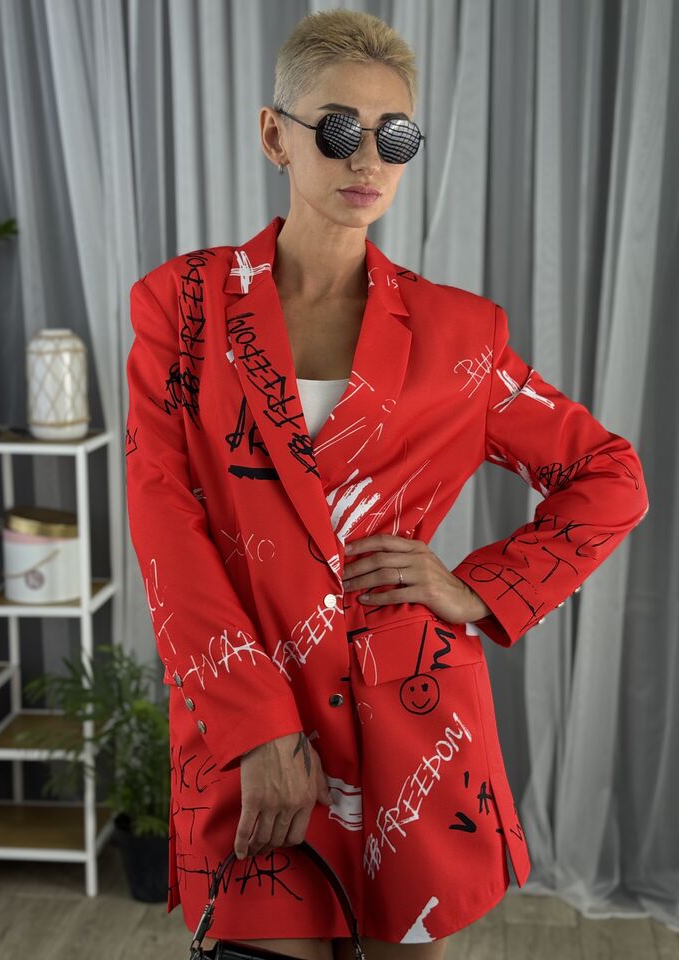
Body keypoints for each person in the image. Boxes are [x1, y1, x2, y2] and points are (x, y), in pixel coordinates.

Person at [125, 9, 649, 960]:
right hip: (248, 705)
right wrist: (254, 727)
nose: (366, 157)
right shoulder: (185, 306)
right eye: (337, 128)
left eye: (394, 135)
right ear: (274, 134)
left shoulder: (460, 335)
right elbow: (166, 524)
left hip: (411, 726)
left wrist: (479, 587)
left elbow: (608, 474)